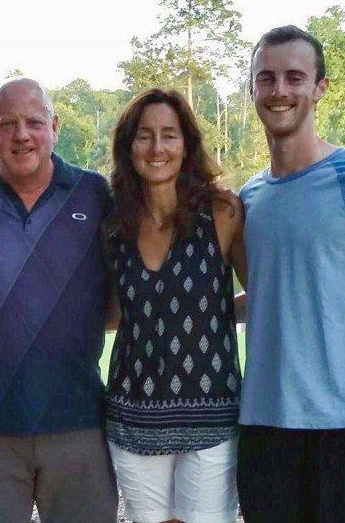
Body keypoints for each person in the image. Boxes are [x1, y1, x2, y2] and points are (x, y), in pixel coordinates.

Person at [237, 25, 345, 523]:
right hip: (264, 431)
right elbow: (270, 294)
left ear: (320, 88)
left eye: (295, 77)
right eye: (266, 78)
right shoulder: (248, 199)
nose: (279, 90)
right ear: (252, 89)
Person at [0, 77, 118, 523]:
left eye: (34, 122)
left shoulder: (98, 196)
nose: (21, 135)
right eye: (7, 123)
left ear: (54, 126)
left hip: (78, 420)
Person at [104, 88, 245, 523]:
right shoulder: (113, 223)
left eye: (169, 135)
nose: (157, 148)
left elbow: (265, 294)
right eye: (145, 135)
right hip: (134, 414)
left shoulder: (223, 213)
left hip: (212, 412)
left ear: (187, 145)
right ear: (129, 146)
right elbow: (113, 314)